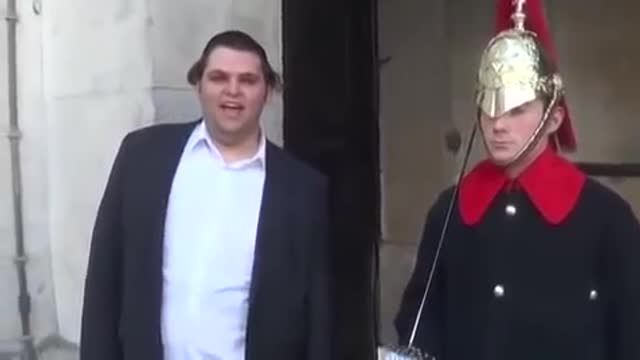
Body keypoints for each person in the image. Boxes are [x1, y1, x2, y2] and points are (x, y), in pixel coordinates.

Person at [393, 1, 640, 359]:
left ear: (554, 118)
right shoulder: (449, 209)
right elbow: (421, 320)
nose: (498, 125)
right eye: (490, 108)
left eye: (517, 109)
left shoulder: (606, 217)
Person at [80, 30, 332, 360]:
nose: (232, 91)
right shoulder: (143, 157)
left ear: (268, 91)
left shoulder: (302, 188)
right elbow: (104, 279)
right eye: (218, 77)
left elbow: (319, 311)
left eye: (248, 80)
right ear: (198, 84)